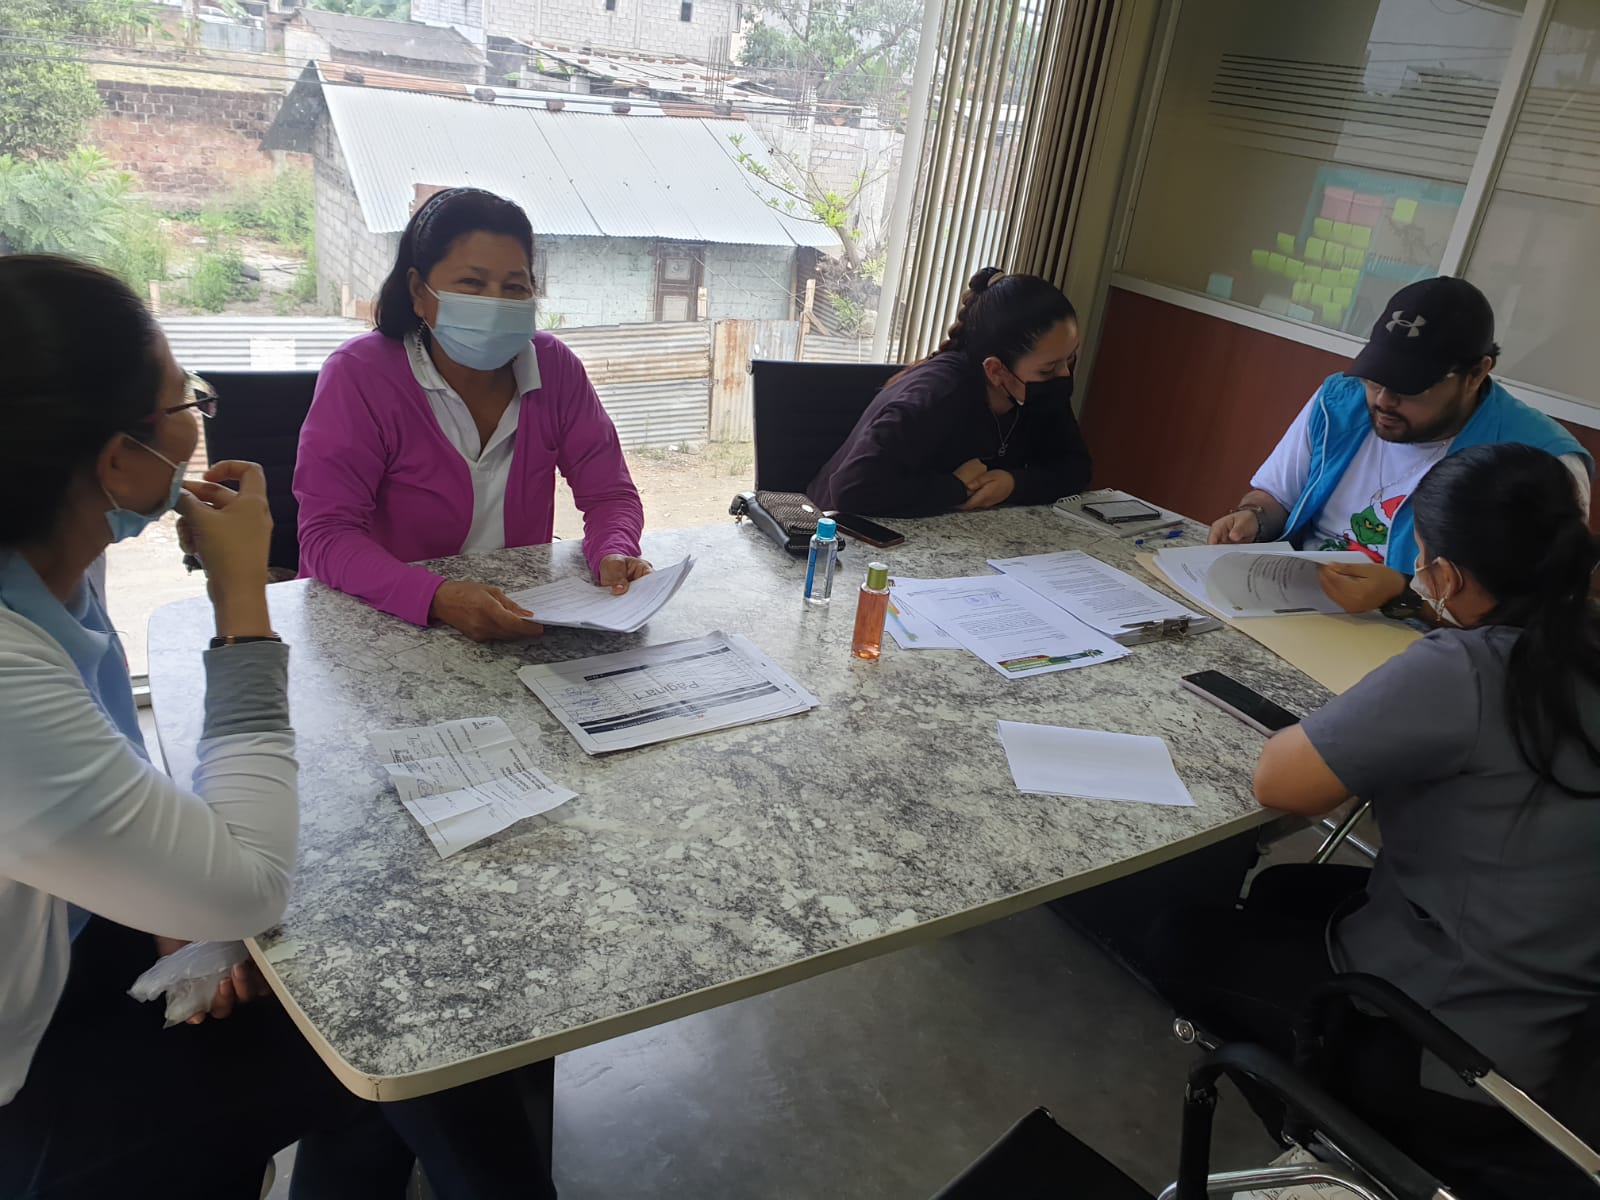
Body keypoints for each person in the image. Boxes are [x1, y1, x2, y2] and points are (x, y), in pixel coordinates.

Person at [0, 254, 417, 1198]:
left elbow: (94, 771)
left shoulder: (51, 553)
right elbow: (247, 889)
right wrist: (241, 598)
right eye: (184, 400)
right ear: (116, 458)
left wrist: (157, 899)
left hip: (65, 933)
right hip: (28, 1072)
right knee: (387, 1025)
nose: (197, 420)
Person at [1153, 443, 1600, 1198]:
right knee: (1285, 892)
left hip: (1461, 1058)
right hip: (1569, 1014)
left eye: (1422, 565)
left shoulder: (1466, 670)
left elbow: (1281, 780)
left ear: (1446, 577)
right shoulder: (1576, 641)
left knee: (1180, 938)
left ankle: (1335, 1145)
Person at [295, 187, 649, 642]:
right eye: (472, 284)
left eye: (514, 287)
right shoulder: (360, 375)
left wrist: (614, 551)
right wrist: (436, 597)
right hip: (383, 624)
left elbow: (610, 496)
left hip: (516, 616)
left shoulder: (555, 368)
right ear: (418, 292)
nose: (495, 304)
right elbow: (327, 535)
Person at [1207, 276, 1592, 619]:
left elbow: (1533, 613)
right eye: (1375, 379)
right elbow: (1277, 496)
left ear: (1476, 374)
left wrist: (1401, 594)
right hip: (1294, 602)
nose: (1383, 400)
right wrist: (1254, 517)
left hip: (1422, 640)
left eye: (1410, 387)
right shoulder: (1339, 401)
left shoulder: (1539, 461)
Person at [807, 267, 1091, 516]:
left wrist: (1013, 484)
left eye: (1069, 359)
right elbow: (852, 489)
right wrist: (955, 488)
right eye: (1048, 369)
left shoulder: (1039, 392)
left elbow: (1076, 468)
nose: (1064, 375)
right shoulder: (938, 396)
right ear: (995, 370)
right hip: (836, 533)